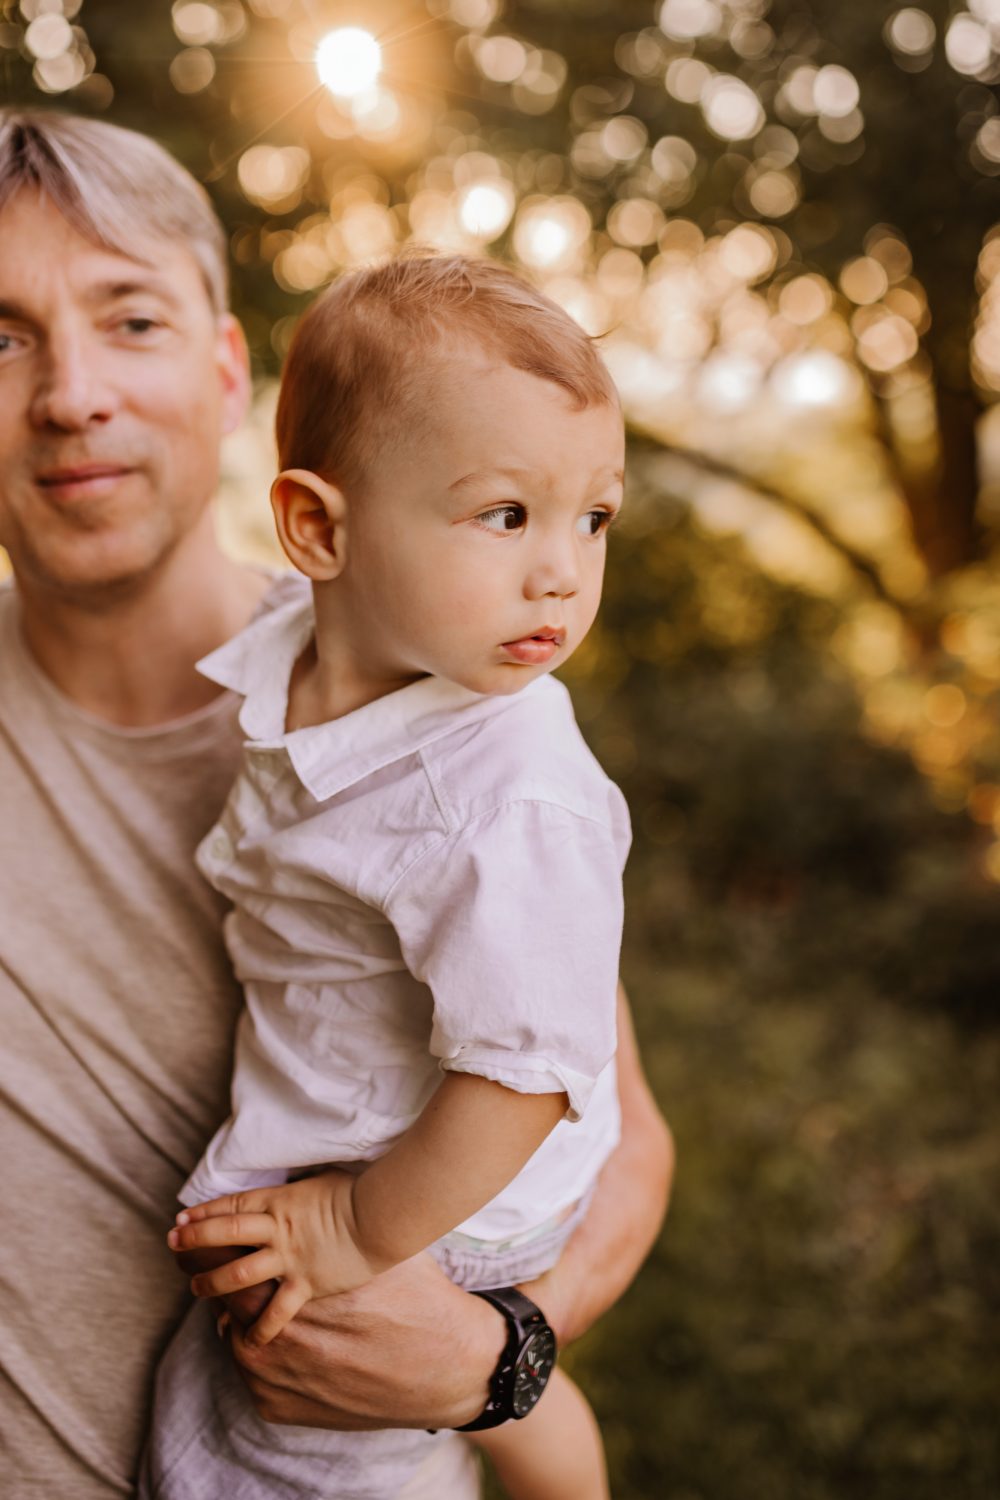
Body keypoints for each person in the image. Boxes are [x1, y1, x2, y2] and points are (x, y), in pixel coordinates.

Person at [0, 107, 674, 1500]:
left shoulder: (449, 701)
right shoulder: (332, 678)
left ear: (223, 369)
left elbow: (602, 1126)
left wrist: (497, 1363)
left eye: (131, 320)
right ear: (317, 513)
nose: (71, 394)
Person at [142, 254, 629, 1500]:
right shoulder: (296, 648)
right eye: (506, 515)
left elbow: (525, 1072)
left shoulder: (509, 787)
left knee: (283, 1449)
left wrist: (348, 1229)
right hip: (383, 1143)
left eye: (594, 517)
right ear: (319, 530)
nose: (563, 571)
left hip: (439, 1190)